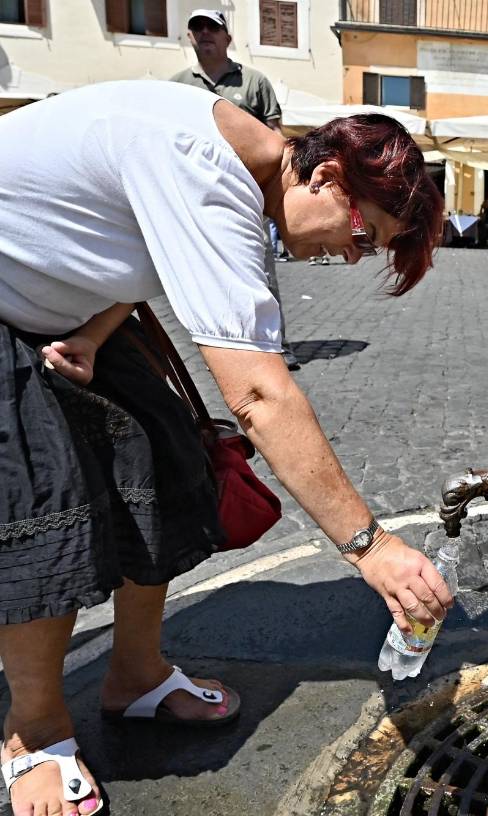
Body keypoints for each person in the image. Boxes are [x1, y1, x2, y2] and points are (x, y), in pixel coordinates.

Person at [0, 81, 447, 816]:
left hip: (68, 313)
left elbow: (133, 237)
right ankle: (34, 730)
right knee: (46, 502)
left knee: (169, 458)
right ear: (327, 176)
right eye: (364, 233)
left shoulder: (238, 162)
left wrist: (95, 334)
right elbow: (259, 397)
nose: (352, 255)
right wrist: (371, 549)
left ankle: (135, 674)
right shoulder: (205, 169)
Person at [171, 9, 303, 370]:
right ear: (189, 36)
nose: (204, 33)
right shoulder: (177, 84)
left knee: (260, 268)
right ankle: (225, 347)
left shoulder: (253, 82)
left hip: (248, 192)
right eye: (197, 27)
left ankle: (277, 343)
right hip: (195, 194)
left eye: (212, 27)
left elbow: (276, 135)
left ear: (227, 37)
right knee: (202, 271)